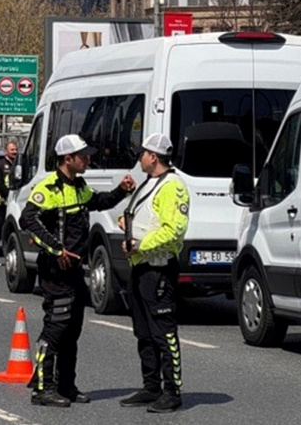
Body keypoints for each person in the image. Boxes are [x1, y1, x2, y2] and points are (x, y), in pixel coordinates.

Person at [20, 134, 135, 408]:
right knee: (55, 328)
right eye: (83, 156)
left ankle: (66, 385)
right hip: (55, 270)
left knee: (72, 329)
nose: (88, 159)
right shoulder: (48, 186)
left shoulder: (79, 185)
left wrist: (122, 190)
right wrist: (56, 249)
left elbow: (99, 202)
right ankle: (42, 388)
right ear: (67, 159)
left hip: (75, 270)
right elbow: (27, 218)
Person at [117, 133, 190, 413]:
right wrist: (127, 227)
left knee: (164, 333)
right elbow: (139, 216)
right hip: (140, 267)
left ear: (153, 157)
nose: (139, 158)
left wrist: (140, 243)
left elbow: (174, 230)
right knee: (143, 332)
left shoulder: (173, 186)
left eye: (143, 153)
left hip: (158, 268)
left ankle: (172, 392)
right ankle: (151, 387)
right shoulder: (150, 183)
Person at [0, 141, 20, 256]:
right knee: (1, 228)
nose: (14, 152)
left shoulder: (19, 164)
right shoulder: (0, 165)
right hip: (2, 202)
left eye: (15, 149)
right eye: (12, 150)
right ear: (6, 151)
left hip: (15, 201)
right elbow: (0, 183)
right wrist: (8, 196)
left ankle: (10, 252)